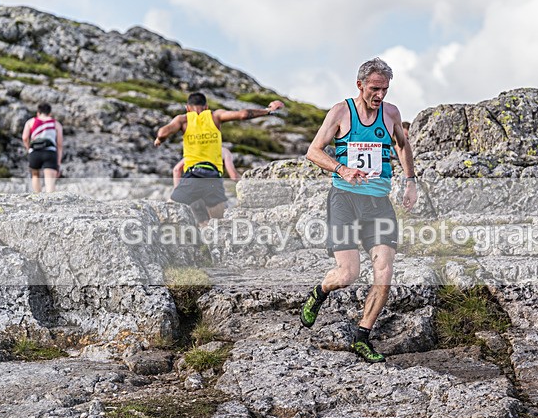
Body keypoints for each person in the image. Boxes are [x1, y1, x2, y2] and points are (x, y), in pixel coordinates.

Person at [300, 57, 418, 363]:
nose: (380, 96)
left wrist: (410, 181)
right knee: (349, 273)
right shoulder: (341, 112)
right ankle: (320, 292)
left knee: (384, 273)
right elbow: (313, 151)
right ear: (360, 85)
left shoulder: (391, 114)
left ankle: (362, 337)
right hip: (345, 201)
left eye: (385, 90)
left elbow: (403, 145)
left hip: (379, 204)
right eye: (375, 89)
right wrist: (341, 168)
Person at [154, 92, 283, 223]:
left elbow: (163, 133)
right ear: (206, 107)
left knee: (167, 214)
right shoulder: (215, 116)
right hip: (213, 178)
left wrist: (159, 139)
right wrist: (268, 110)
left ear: (187, 108)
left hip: (193, 177)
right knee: (219, 226)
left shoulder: (183, 120)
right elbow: (243, 114)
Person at [21, 102, 63, 193]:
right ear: (50, 113)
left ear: (38, 113)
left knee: (35, 175)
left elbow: (24, 138)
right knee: (49, 178)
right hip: (50, 152)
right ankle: (50, 202)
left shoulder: (31, 121)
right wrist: (58, 162)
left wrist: (28, 149)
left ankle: (38, 198)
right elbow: (59, 144)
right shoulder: (56, 123)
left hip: (35, 152)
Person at [172, 146, 241, 186]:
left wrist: (176, 190)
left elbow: (176, 170)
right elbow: (234, 176)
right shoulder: (224, 151)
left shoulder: (195, 151)